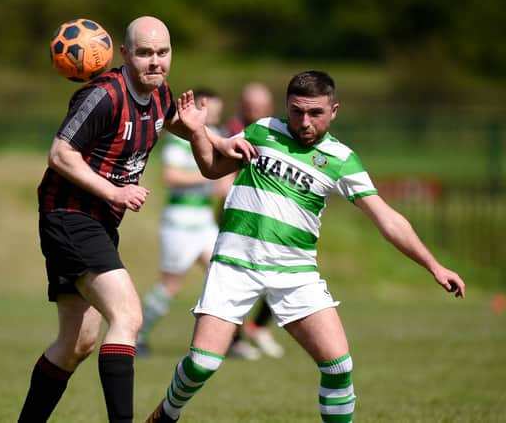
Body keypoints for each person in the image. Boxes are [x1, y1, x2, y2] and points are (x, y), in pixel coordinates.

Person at [144, 70, 466, 423]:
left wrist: (434, 265)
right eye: (297, 111)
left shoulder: (342, 159)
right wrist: (195, 132)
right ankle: (167, 414)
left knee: (339, 367)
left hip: (295, 273)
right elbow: (210, 168)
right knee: (203, 364)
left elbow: (387, 219)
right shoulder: (264, 130)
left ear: (334, 111)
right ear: (287, 106)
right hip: (235, 264)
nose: (305, 122)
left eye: (316, 113)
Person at [16, 16, 248, 423]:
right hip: (70, 216)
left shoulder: (160, 95)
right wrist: (114, 191)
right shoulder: (104, 95)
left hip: (98, 222)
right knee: (128, 316)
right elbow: (60, 154)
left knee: (77, 343)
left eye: (162, 52)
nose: (155, 62)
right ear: (124, 54)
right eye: (144, 53)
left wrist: (217, 139)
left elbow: (185, 131)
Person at [136, 89, 230, 357]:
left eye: (217, 111)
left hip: (204, 223)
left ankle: (228, 340)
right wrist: (210, 176)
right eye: (209, 108)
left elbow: (224, 184)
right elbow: (172, 176)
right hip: (179, 222)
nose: (213, 115)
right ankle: (135, 335)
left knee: (224, 275)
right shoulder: (179, 140)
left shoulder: (219, 136)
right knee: (171, 286)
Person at [224, 82, 285, 360]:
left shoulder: (278, 132)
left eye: (260, 107)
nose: (255, 112)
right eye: (250, 107)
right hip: (240, 218)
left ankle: (258, 326)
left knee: (283, 275)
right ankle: (235, 339)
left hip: (272, 219)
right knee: (234, 280)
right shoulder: (233, 132)